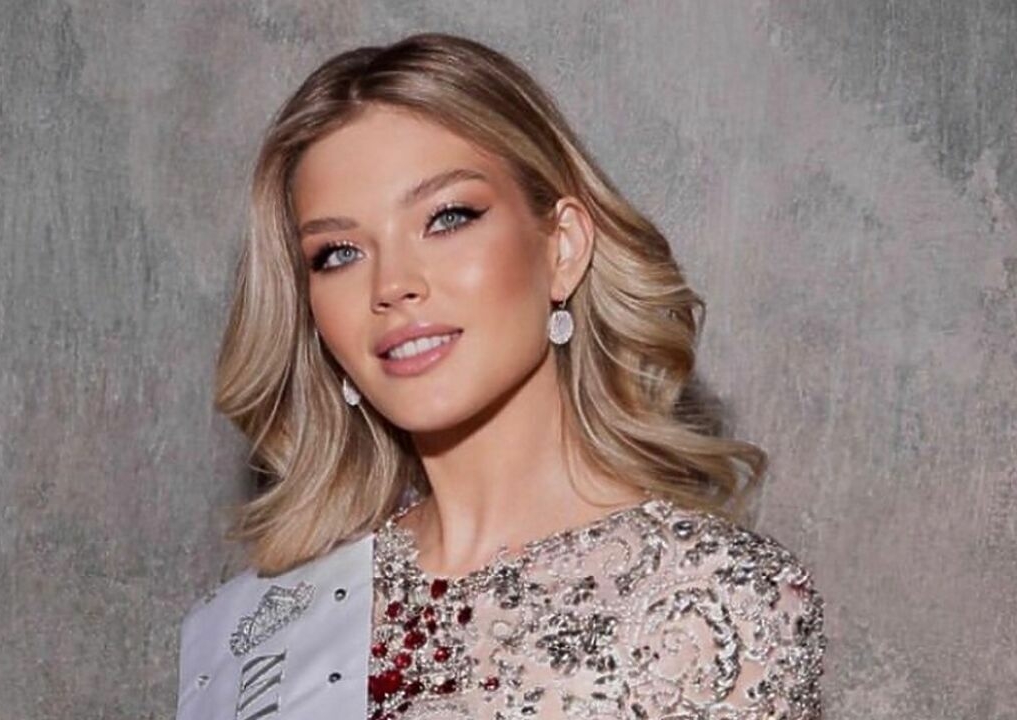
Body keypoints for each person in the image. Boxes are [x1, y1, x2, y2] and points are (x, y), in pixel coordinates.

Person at [176, 32, 826, 720]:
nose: (392, 285)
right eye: (338, 253)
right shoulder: (269, 623)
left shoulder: (719, 600)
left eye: (447, 218)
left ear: (562, 248)